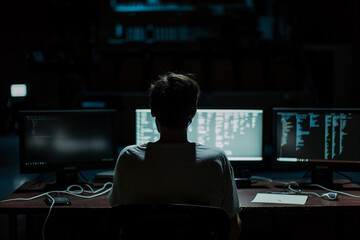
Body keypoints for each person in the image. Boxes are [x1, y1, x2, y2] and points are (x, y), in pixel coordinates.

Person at [108, 72, 241, 240]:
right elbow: (233, 229)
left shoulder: (128, 157)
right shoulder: (216, 159)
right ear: (193, 112)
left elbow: (118, 216)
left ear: (152, 111)